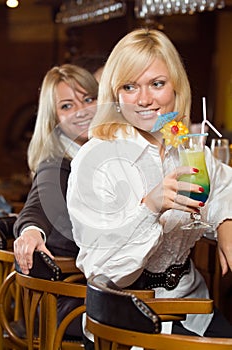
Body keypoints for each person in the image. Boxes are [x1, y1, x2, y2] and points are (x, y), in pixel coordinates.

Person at [67, 28, 232, 339]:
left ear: (175, 87)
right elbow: (105, 271)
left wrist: (226, 223)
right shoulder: (95, 159)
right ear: (114, 95)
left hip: (192, 306)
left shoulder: (188, 149)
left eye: (157, 84)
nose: (144, 99)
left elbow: (224, 187)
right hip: (126, 316)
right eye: (130, 87)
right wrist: (150, 207)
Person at [13, 63, 98, 338]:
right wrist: (30, 231)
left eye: (88, 99)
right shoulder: (57, 164)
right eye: (66, 106)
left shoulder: (104, 154)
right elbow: (37, 204)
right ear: (53, 120)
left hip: (80, 293)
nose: (81, 111)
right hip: (66, 302)